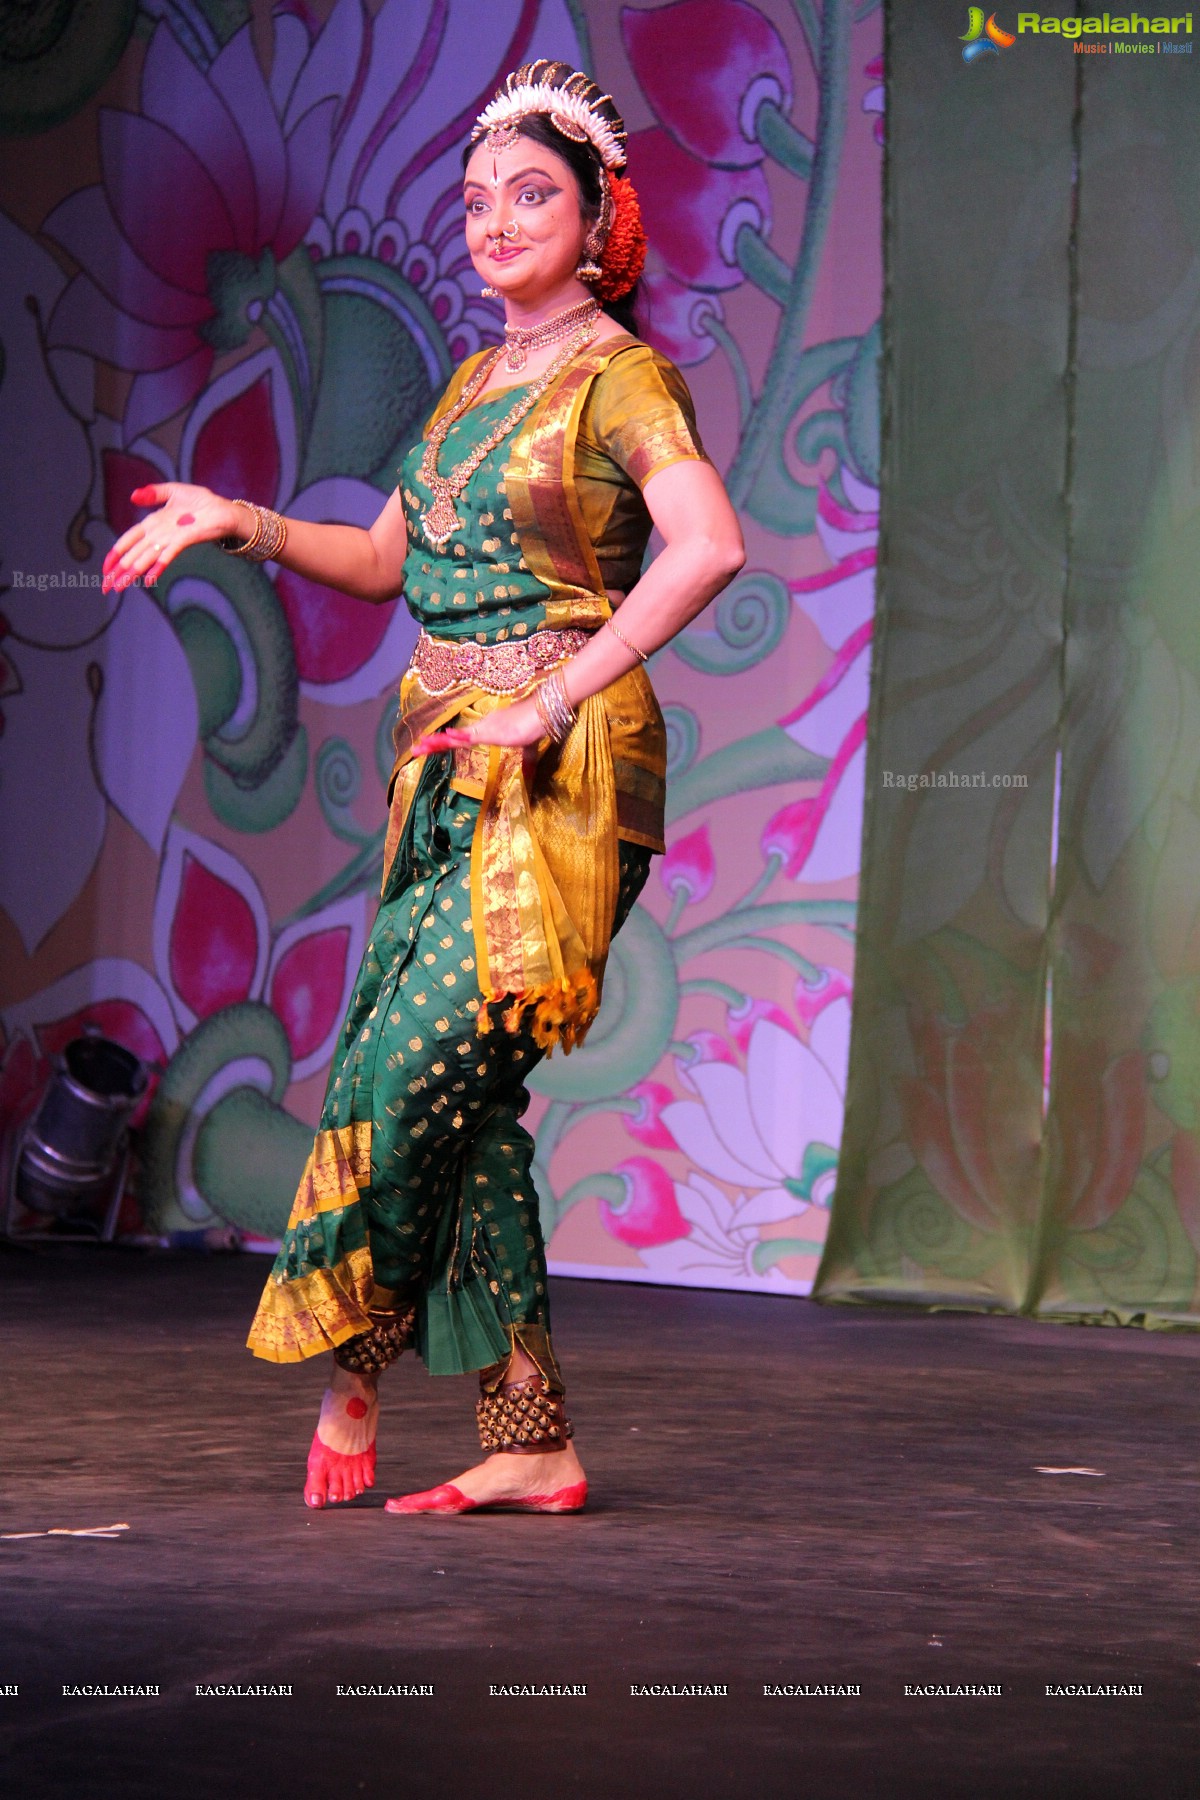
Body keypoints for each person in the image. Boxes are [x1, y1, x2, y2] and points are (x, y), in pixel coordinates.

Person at [101, 59, 745, 1516]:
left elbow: (708, 546)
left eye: (533, 195)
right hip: (442, 770)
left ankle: (355, 1374)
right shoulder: (469, 385)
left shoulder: (621, 376)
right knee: (473, 1105)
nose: (496, 219)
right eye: (475, 200)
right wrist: (241, 522)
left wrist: (551, 700)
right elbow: (389, 565)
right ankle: (530, 1436)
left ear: (599, 221)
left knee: (404, 1085)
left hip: (564, 774)